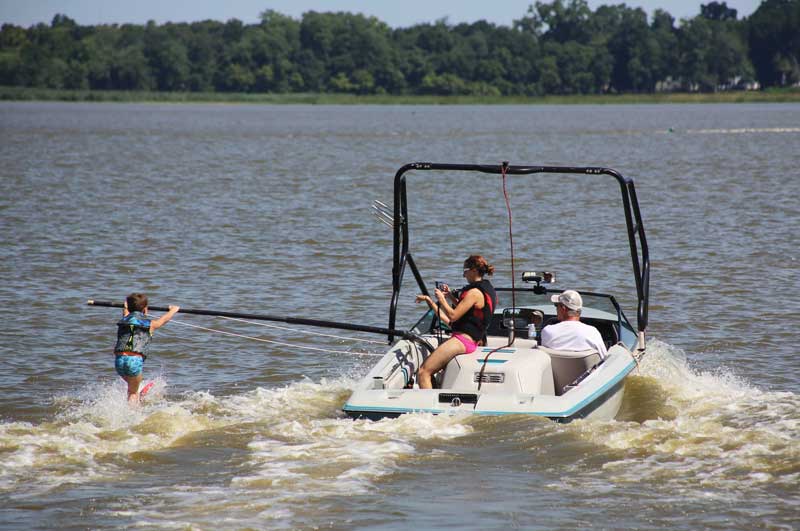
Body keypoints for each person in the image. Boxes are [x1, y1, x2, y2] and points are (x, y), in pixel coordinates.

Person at [415, 255, 497, 389]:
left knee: (423, 372)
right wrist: (446, 297)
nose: (464, 275)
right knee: (431, 372)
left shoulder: (474, 292)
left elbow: (453, 315)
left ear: (474, 270)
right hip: (469, 340)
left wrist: (442, 299)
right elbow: (463, 311)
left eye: (465, 270)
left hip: (462, 341)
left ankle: (429, 409)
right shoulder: (485, 289)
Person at [114, 293, 179, 404]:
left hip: (119, 361)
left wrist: (125, 307)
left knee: (132, 386)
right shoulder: (150, 324)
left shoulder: (124, 320)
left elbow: (126, 313)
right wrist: (173, 310)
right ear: (145, 309)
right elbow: (163, 320)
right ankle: (132, 414)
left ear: (128, 308)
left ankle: (137, 397)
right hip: (134, 361)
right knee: (132, 392)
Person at [540, 289, 607, 358]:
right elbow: (605, 359)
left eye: (556, 305)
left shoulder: (547, 331)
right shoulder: (592, 332)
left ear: (563, 308)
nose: (556, 309)